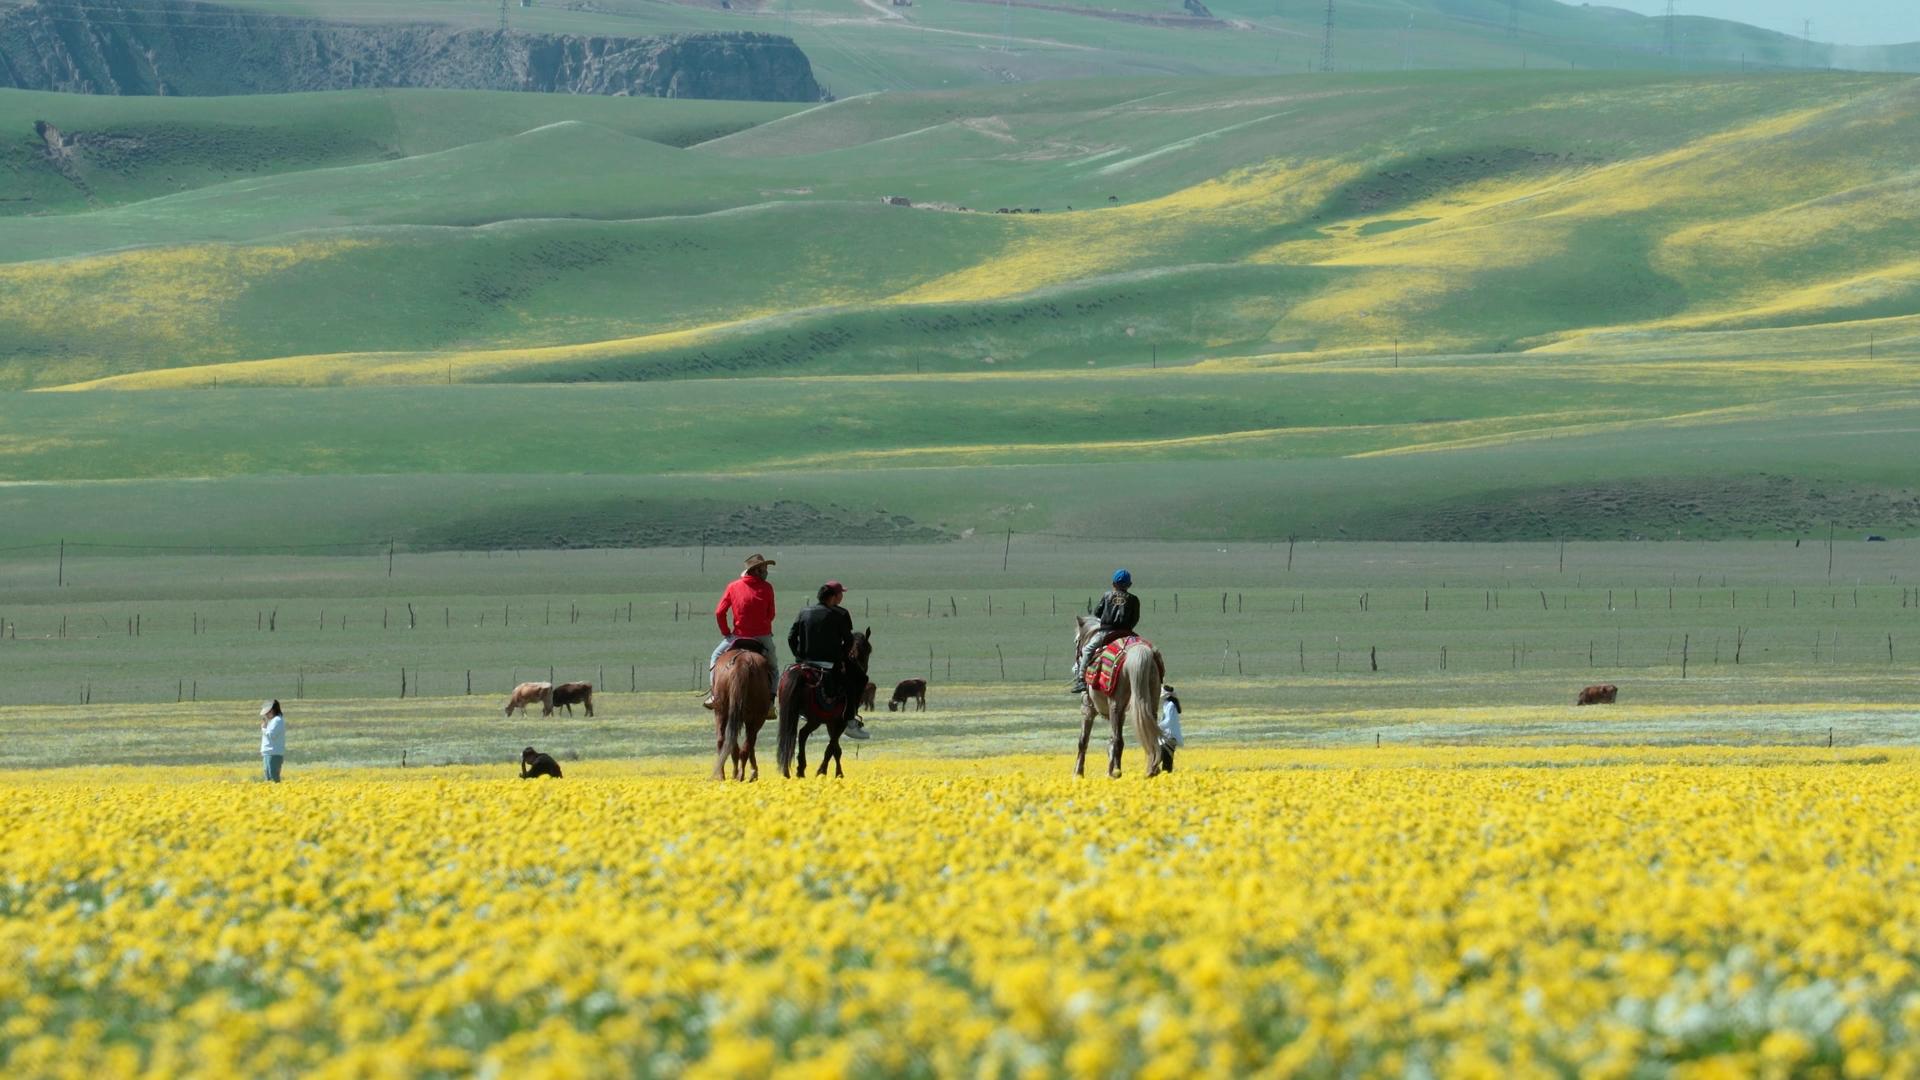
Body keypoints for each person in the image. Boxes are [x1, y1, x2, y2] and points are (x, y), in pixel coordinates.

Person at [786, 580, 868, 739]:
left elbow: (791, 637)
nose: (842, 597)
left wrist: (799, 657)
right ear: (834, 597)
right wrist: (842, 660)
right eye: (841, 594)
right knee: (860, 679)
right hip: (830, 663)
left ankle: (800, 711)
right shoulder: (840, 614)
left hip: (805, 662)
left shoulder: (804, 612)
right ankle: (851, 721)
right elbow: (849, 641)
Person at [706, 553, 778, 713]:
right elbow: (771, 614)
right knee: (773, 667)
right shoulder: (767, 588)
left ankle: (715, 695)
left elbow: (719, 612)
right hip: (762, 636)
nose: (766, 571)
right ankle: (771, 703)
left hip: (738, 635)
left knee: (716, 657)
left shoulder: (733, 586)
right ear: (757, 570)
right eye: (764, 568)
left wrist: (726, 632)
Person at [1070, 569, 1141, 694]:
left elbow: (1097, 613)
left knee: (1086, 650)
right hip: (1126, 634)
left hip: (1106, 634)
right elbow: (1135, 619)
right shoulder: (1134, 599)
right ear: (1129, 585)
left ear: (1113, 584)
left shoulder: (1107, 595)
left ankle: (1081, 679)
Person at [259, 700, 286, 783]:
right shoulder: (273, 721)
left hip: (274, 753)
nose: (266, 715)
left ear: (272, 711)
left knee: (273, 777)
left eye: (267, 713)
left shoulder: (277, 720)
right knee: (268, 777)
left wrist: (264, 728)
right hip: (269, 752)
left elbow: (272, 735)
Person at [1159, 684, 1184, 772]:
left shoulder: (1170, 705)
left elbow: (1168, 720)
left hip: (1169, 737)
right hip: (1168, 737)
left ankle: (1164, 779)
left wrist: (1157, 727)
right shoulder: (1168, 704)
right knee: (1167, 761)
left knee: (1164, 760)